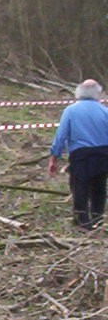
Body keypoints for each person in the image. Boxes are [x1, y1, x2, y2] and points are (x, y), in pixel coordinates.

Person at [48, 79, 108, 229]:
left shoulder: (70, 111)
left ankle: (83, 220)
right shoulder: (105, 111)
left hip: (81, 155)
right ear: (97, 93)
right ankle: (97, 218)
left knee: (79, 186)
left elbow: (61, 135)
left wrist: (54, 156)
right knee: (99, 187)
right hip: (102, 154)